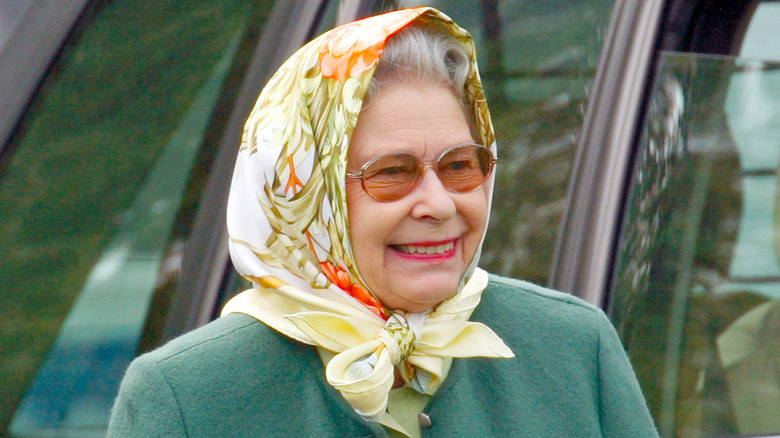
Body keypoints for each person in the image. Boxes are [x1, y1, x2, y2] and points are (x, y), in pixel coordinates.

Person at [107, 7, 659, 437]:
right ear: (307, 197)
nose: (439, 204)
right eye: (392, 173)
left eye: (460, 166)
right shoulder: (185, 397)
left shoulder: (572, 348)